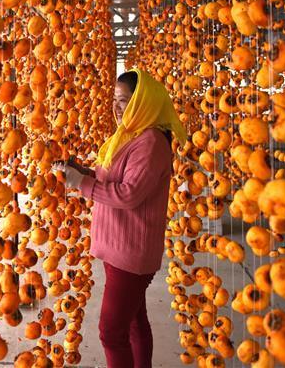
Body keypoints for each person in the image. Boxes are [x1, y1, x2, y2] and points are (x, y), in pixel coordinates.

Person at [54, 68, 187, 368]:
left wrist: (81, 184)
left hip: (130, 254)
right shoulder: (131, 135)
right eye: (115, 99)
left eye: (125, 100)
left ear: (143, 103)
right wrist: (83, 172)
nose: (117, 106)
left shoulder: (150, 142)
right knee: (134, 322)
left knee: (110, 333)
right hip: (122, 249)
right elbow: (113, 177)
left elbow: (128, 194)